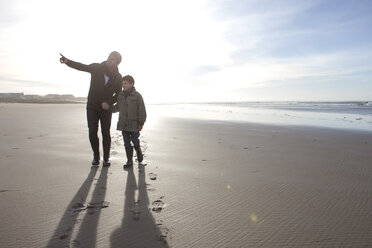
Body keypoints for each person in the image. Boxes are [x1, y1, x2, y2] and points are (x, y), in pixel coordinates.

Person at [60, 52, 122, 167]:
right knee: (92, 131)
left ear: (117, 62)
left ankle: (106, 158)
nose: (109, 60)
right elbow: (81, 66)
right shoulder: (97, 67)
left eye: (112, 59)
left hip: (105, 109)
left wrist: (108, 103)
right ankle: (96, 156)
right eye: (109, 57)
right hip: (92, 106)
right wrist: (67, 62)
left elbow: (118, 94)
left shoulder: (118, 77)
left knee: (105, 132)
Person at [112, 75, 147, 169]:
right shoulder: (120, 95)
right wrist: (109, 108)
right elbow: (117, 107)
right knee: (126, 143)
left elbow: (142, 110)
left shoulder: (137, 96)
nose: (124, 85)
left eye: (126, 83)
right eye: (122, 84)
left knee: (135, 141)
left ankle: (138, 151)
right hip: (124, 124)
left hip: (134, 124)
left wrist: (141, 123)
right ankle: (129, 161)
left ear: (132, 84)